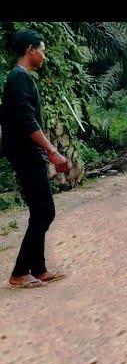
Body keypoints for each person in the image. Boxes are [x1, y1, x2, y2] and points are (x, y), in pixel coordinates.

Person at [0, 30, 69, 288]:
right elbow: (27, 121)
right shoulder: (18, 78)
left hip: (28, 153)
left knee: (40, 210)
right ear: (31, 49)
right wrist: (52, 150)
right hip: (26, 154)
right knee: (44, 211)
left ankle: (38, 268)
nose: (44, 54)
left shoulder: (20, 78)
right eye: (42, 49)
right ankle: (19, 272)